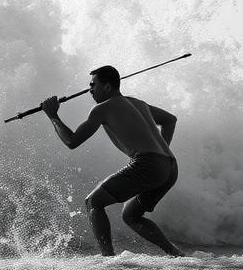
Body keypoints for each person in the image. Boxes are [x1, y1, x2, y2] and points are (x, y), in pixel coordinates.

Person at [40, 65, 184, 257]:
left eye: (93, 85)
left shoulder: (102, 109)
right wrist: (160, 155)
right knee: (131, 215)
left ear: (107, 87)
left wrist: (53, 115)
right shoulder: (139, 103)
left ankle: (108, 258)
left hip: (149, 164)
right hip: (170, 166)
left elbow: (71, 141)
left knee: (93, 202)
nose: (90, 90)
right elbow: (170, 120)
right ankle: (175, 254)